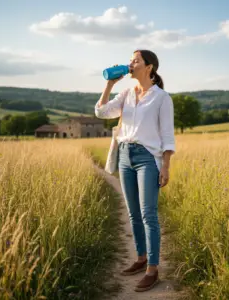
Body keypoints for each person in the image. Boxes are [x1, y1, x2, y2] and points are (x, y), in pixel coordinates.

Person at [94, 49, 175, 292]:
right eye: (130, 60)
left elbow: (167, 136)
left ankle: (152, 268)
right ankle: (140, 258)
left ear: (149, 67)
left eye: (135, 60)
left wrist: (166, 166)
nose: (130, 64)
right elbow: (101, 112)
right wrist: (109, 85)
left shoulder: (162, 98)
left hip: (148, 158)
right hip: (125, 156)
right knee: (133, 213)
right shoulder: (126, 93)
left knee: (148, 214)